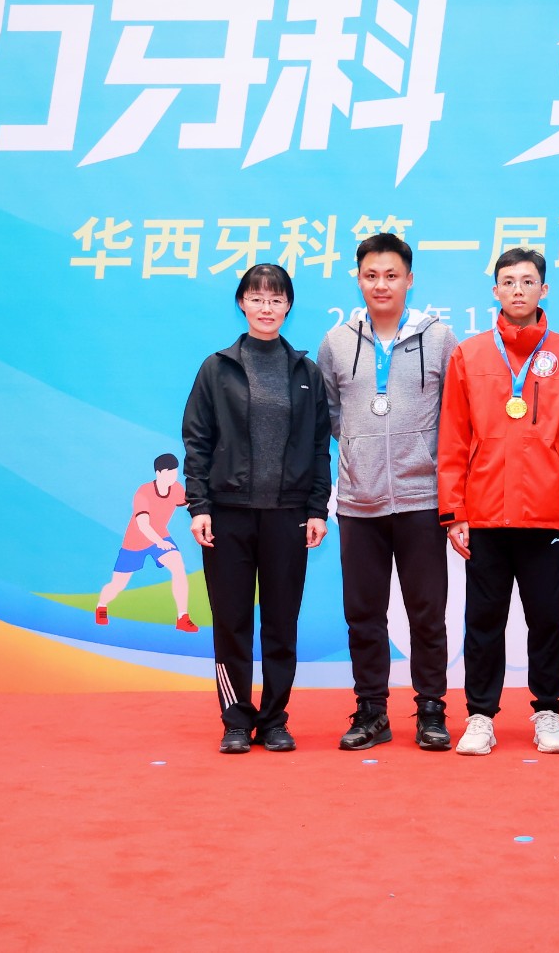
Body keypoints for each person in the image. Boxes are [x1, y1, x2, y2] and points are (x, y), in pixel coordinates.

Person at [437, 247, 559, 756]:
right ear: (495, 291)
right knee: (483, 621)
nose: (518, 289)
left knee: (548, 618)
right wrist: (454, 512)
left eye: (528, 281)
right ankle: (480, 716)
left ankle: (548, 712)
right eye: (508, 281)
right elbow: (453, 438)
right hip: (484, 512)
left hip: (547, 511)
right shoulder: (470, 354)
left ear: (543, 290)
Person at [317, 233, 457, 751]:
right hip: (359, 503)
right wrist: (362, 451)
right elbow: (332, 416)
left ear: (409, 280)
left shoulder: (439, 339)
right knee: (363, 615)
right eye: (371, 275)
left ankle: (431, 710)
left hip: (423, 499)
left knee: (427, 612)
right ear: (358, 279)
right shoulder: (335, 342)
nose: (382, 284)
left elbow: (455, 416)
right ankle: (371, 711)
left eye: (391, 275)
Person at [183, 263, 330, 754]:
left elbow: (319, 448)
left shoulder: (306, 373)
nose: (267, 307)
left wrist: (317, 508)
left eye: (276, 299)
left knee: (281, 623)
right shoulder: (217, 368)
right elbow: (197, 441)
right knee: (231, 622)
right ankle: (235, 720)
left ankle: (274, 720)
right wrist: (199, 506)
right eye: (257, 298)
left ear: (288, 306)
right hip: (228, 515)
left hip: (288, 516)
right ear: (242, 303)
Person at [95, 453, 197, 632]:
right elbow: (143, 525)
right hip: (134, 542)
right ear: (158, 473)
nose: (173, 476)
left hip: (161, 536)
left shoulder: (176, 488)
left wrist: (203, 513)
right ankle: (101, 605)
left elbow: (191, 506)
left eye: (175, 471)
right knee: (117, 585)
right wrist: (159, 542)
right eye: (169, 472)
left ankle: (182, 617)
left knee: (178, 567)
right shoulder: (143, 492)